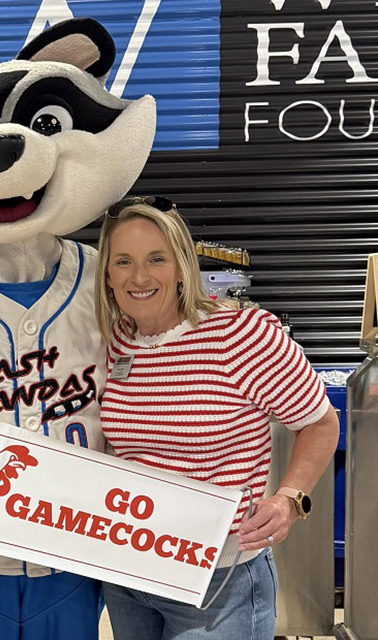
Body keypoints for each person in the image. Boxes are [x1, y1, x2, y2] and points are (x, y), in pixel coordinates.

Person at [93, 197, 340, 640]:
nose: (140, 277)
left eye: (156, 259)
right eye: (123, 261)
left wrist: (289, 500)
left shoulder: (241, 333)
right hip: (131, 571)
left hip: (218, 578)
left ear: (183, 265)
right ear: (107, 276)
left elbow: (320, 422)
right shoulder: (119, 340)